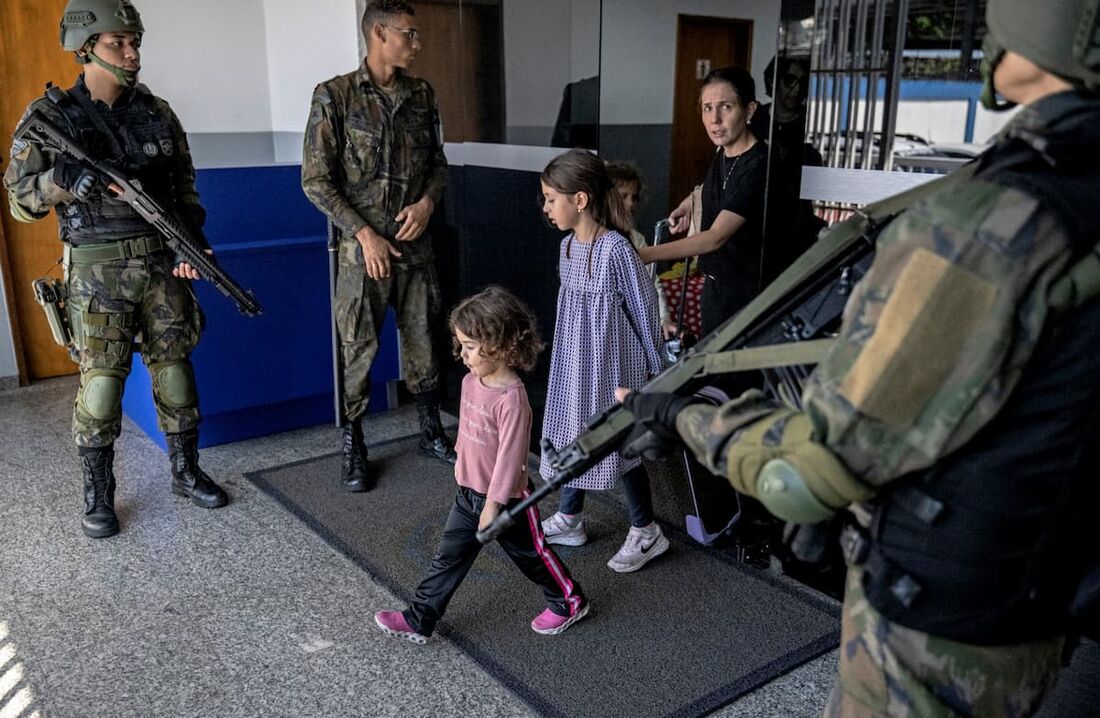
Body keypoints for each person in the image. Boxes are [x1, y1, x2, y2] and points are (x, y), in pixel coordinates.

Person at [622, 0, 1100, 713]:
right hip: (1041, 593)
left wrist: (688, 417)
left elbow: (802, 474)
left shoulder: (987, 222)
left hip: (939, 623)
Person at [3, 0, 229, 539]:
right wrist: (63, 180)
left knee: (175, 370)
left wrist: (189, 244)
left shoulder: (156, 112)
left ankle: (184, 470)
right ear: (84, 48)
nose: (131, 54)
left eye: (135, 42)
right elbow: (18, 200)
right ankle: (99, 493)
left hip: (160, 264)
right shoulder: (51, 117)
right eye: (116, 43)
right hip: (98, 272)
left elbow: (184, 190)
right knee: (101, 385)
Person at [374, 286, 588, 643]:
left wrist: (493, 504)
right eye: (461, 345)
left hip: (509, 502)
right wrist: (463, 469)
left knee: (531, 555)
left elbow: (510, 459)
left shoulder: (512, 399)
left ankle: (570, 600)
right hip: (469, 495)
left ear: (501, 346)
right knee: (448, 557)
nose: (463, 354)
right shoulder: (473, 381)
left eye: (470, 347)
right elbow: (469, 433)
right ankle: (419, 618)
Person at [301, 0, 455, 495]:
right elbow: (316, 181)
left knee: (424, 339)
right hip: (361, 254)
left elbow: (438, 163)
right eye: (409, 34)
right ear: (379, 34)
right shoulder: (335, 96)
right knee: (358, 349)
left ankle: (431, 430)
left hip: (415, 249)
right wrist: (363, 234)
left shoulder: (422, 95)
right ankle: (355, 445)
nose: (417, 43)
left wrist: (429, 203)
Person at [537, 149, 669, 573]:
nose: (545, 207)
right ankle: (571, 518)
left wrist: (658, 369)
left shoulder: (616, 249)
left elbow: (645, 309)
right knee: (576, 432)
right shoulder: (567, 248)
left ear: (579, 200)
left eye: (550, 198)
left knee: (616, 441)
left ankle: (647, 530)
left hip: (613, 367)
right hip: (577, 364)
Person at [637, 66, 768, 338]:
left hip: (747, 296)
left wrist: (644, 255)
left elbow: (715, 238)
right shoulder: (723, 151)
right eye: (707, 108)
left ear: (750, 110)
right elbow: (712, 187)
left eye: (726, 107)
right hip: (716, 287)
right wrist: (689, 203)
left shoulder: (758, 165)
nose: (715, 120)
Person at [604, 160, 672, 335]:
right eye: (624, 196)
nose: (630, 204)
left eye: (634, 197)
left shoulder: (637, 238)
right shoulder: (592, 237)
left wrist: (664, 318)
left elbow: (651, 282)